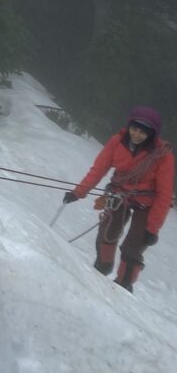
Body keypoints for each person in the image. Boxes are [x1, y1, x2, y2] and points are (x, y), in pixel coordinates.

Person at [62, 106, 174, 292]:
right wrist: (78, 192)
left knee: (134, 245)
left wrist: (152, 228)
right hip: (119, 193)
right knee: (108, 231)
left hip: (147, 203)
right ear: (129, 126)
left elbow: (164, 194)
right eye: (134, 129)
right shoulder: (117, 142)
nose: (136, 134)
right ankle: (102, 267)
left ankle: (123, 284)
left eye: (143, 132)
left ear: (152, 134)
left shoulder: (162, 156)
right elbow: (98, 169)